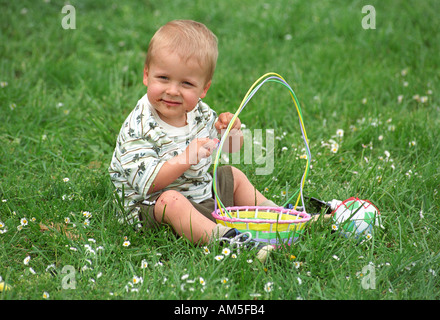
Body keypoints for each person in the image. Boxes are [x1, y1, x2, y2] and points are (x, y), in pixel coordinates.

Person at [108, 20, 277, 262]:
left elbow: (228, 150)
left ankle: (278, 218)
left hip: (199, 193)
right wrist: (187, 158)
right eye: (163, 78)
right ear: (146, 75)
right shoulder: (140, 125)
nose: (173, 90)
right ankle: (230, 241)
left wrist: (231, 134)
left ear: (203, 89)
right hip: (152, 208)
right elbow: (150, 184)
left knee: (233, 175)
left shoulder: (200, 112)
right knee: (172, 202)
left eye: (186, 83)